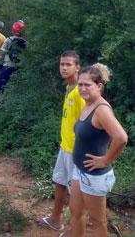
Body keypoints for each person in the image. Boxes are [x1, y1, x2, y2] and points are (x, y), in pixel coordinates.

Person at [68, 64, 128, 237]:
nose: (83, 88)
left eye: (88, 85)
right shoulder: (88, 104)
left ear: (99, 86)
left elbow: (121, 138)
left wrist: (105, 160)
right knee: (75, 211)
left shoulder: (101, 109)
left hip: (94, 176)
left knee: (97, 221)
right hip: (80, 171)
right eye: (80, 84)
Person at [38, 51, 84, 232]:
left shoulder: (80, 91)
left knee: (77, 194)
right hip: (65, 146)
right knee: (59, 182)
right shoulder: (69, 88)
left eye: (68, 65)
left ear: (77, 67)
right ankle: (55, 219)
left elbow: (89, 120)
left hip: (76, 150)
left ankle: (76, 231)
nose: (64, 68)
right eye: (62, 64)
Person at [0, 21, 26, 91]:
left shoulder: (8, 40)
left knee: (1, 84)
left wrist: (0, 61)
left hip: (7, 65)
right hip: (18, 66)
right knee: (16, 85)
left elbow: (2, 52)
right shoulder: (25, 42)